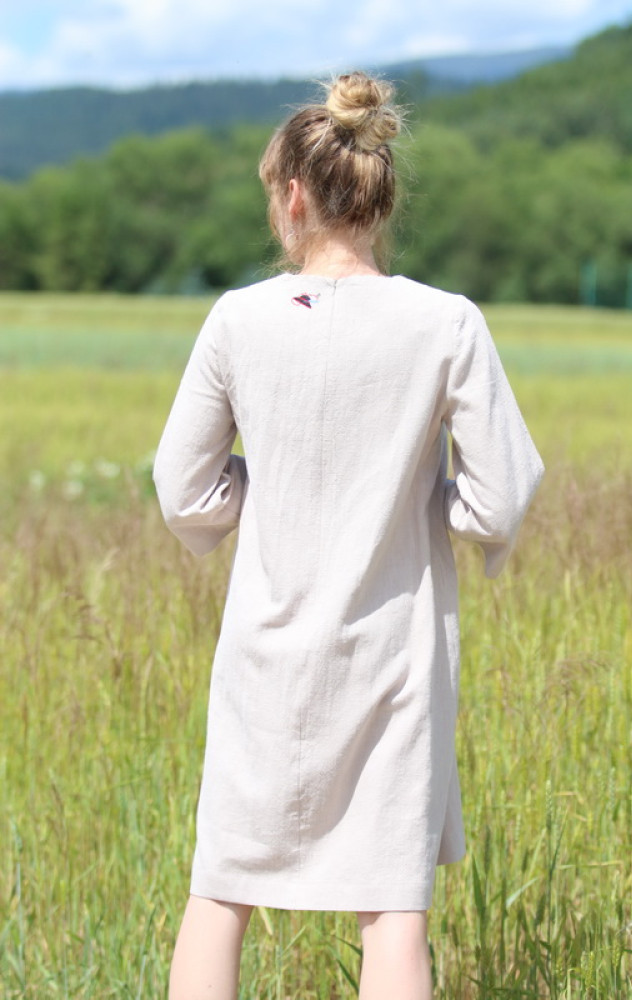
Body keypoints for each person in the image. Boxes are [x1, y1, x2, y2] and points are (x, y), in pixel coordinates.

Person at [153, 71, 544, 1000]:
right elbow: (500, 500)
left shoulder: (237, 320)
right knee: (392, 912)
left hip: (263, 664)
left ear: (292, 197)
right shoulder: (447, 322)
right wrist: (429, 505)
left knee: (220, 892)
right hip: (395, 662)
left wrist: (256, 493)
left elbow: (183, 490)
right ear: (380, 196)